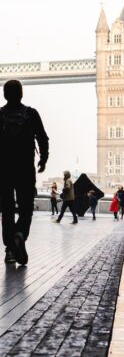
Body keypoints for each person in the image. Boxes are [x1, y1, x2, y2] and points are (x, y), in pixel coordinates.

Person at [0, 80, 49, 265]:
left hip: (4, 170)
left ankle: (9, 249)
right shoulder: (31, 113)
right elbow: (43, 138)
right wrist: (43, 159)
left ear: (5, 95)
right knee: (26, 208)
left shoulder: (0, 114)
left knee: (7, 209)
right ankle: (20, 233)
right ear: (21, 94)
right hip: (25, 169)